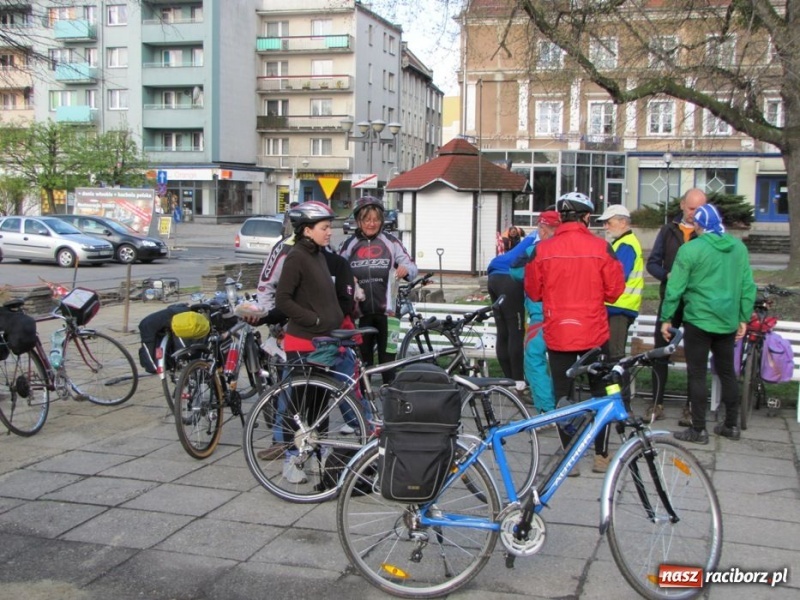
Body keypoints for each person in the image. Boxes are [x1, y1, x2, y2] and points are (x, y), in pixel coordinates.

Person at [524, 192, 625, 474]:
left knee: (562, 394)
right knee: (600, 392)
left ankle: (570, 455)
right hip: (594, 333)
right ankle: (601, 454)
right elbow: (616, 292)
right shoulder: (602, 248)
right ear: (587, 217)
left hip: (558, 333)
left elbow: (533, 291)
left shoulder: (542, 250)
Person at [661, 204, 756, 444]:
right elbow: (747, 285)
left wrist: (667, 318)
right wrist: (744, 317)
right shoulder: (738, 248)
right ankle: (731, 425)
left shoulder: (691, 249)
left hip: (699, 320)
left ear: (698, 225)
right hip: (727, 321)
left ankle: (699, 429)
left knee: (696, 374)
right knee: (727, 373)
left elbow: (675, 288)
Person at [274, 201, 346, 483]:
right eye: (325, 228)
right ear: (307, 230)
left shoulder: (317, 254)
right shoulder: (296, 257)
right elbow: (283, 300)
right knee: (300, 408)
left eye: (330, 227)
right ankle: (292, 460)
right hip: (304, 342)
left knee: (319, 408)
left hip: (324, 342)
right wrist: (314, 320)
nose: (330, 232)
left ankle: (316, 455)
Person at [339, 196, 417, 381]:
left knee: (388, 365)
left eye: (376, 219)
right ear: (358, 221)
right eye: (367, 219)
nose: (372, 224)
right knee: (363, 366)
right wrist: (347, 278)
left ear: (382, 221)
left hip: (389, 315)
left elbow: (413, 269)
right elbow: (336, 274)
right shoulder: (349, 245)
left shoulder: (391, 242)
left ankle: (390, 404)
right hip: (361, 315)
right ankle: (365, 407)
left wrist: (405, 270)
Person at [646, 188, 707, 424]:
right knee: (660, 353)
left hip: (695, 304)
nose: (694, 214)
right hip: (670, 300)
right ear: (682, 205)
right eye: (691, 208)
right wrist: (666, 275)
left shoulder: (706, 235)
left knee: (695, 357)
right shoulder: (668, 230)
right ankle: (656, 403)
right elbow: (652, 263)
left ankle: (691, 407)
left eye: (699, 209)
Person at [508, 210, 561, 412]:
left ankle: (547, 410)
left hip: (541, 315)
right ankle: (564, 405)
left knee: (533, 359)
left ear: (542, 228)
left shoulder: (535, 250)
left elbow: (514, 270)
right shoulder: (572, 249)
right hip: (570, 316)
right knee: (563, 364)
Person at [597, 204, 643, 413]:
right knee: (611, 358)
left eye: (609, 222)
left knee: (615, 359)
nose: (606, 226)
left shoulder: (625, 245)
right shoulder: (622, 243)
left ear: (623, 222)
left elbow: (616, 277)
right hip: (618, 309)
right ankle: (615, 401)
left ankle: (622, 405)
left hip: (618, 309)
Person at [487, 223, 538, 393]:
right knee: (515, 331)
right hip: (508, 276)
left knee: (503, 331)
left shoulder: (535, 235)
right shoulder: (546, 238)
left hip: (494, 273)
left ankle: (509, 379)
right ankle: (518, 382)